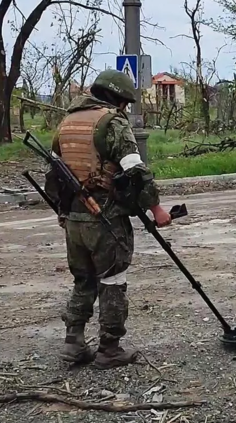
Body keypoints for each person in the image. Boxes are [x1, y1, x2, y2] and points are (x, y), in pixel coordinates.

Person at [48, 69, 172, 369]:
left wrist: (63, 212)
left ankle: (73, 343)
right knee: (113, 280)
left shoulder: (66, 122)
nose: (125, 109)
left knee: (83, 280)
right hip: (104, 216)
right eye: (124, 103)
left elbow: (53, 174)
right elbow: (135, 170)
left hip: (74, 218)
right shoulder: (111, 122)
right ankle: (110, 348)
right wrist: (156, 209)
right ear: (116, 99)